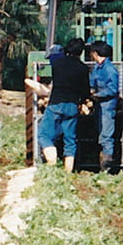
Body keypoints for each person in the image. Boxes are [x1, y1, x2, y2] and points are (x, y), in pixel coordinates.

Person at [38, 38, 90, 172]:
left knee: (44, 135)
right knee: (70, 140)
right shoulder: (83, 67)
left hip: (56, 103)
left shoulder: (58, 63)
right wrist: (84, 101)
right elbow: (85, 91)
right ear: (81, 52)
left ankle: (52, 160)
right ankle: (68, 172)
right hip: (72, 105)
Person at [88, 40, 119, 172]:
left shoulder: (110, 69)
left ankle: (107, 166)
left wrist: (98, 95)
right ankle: (101, 162)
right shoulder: (97, 67)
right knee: (100, 133)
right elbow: (92, 82)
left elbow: (113, 89)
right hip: (99, 106)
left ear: (95, 53)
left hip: (107, 106)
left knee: (106, 135)